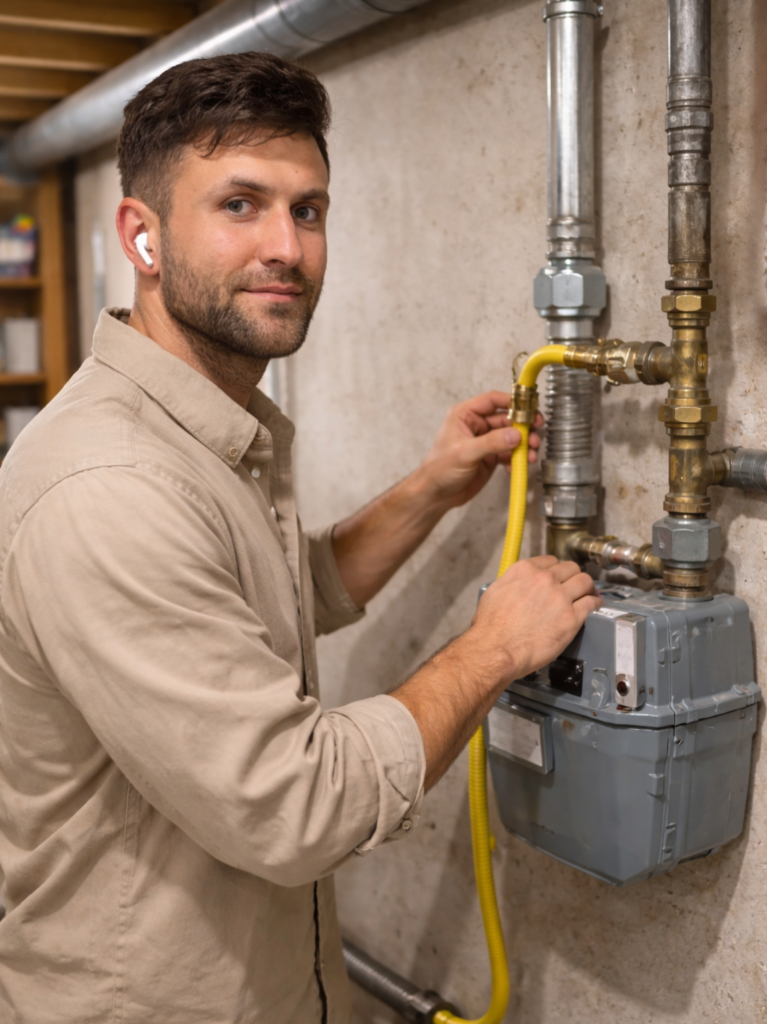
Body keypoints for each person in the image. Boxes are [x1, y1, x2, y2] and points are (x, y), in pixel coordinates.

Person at [0, 53, 600, 1024]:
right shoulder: (106, 487)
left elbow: (286, 590)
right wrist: (493, 646)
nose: (286, 245)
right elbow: (295, 803)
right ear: (142, 237)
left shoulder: (201, 429)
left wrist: (431, 488)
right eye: (239, 204)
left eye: (307, 210)